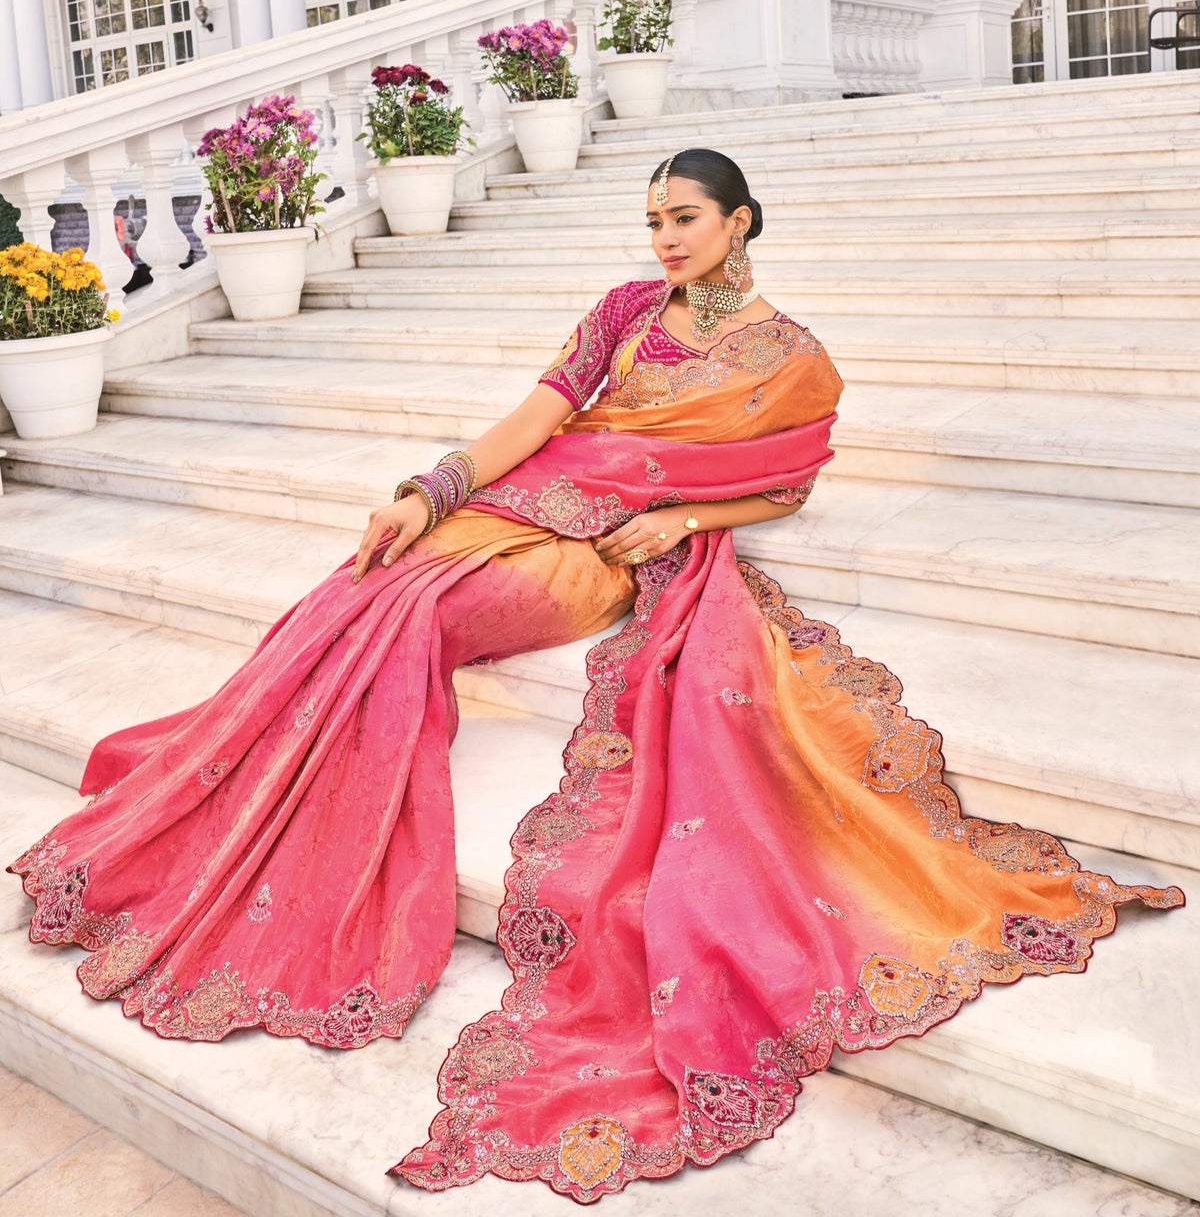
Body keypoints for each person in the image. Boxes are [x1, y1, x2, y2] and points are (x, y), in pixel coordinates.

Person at [8, 148, 1184, 1204]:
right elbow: (536, 417)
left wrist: (684, 523)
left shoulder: (791, 358)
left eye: (686, 217)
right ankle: (224, 812)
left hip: (594, 557)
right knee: (363, 580)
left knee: (417, 613)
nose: (666, 238)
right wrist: (431, 491)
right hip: (513, 504)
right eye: (654, 220)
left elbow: (788, 491)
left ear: (741, 222)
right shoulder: (625, 310)